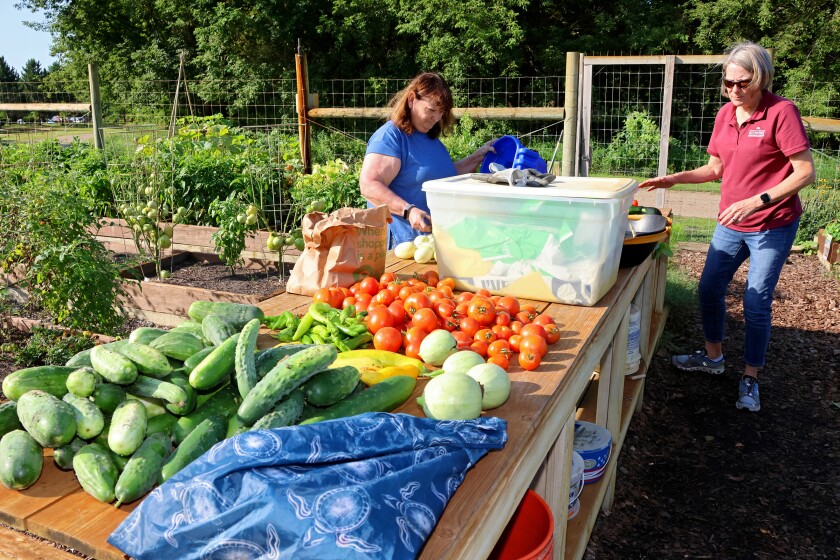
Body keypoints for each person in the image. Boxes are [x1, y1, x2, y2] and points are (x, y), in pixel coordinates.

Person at [640, 41, 815, 412]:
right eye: (728, 83)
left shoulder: (782, 112)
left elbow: (805, 173)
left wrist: (756, 201)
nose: (734, 90)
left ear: (762, 78)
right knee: (708, 289)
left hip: (772, 223)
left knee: (755, 302)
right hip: (731, 223)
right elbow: (715, 169)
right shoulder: (725, 114)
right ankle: (714, 357)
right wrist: (676, 178)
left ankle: (750, 376)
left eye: (743, 83)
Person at [359, 72, 496, 248]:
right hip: (401, 246)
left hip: (430, 243)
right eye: (431, 110)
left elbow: (445, 175)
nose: (436, 118)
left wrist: (479, 156)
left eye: (441, 112)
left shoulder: (429, 138)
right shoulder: (391, 137)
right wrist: (408, 211)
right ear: (411, 100)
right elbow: (369, 185)